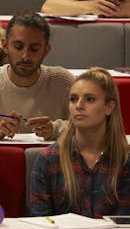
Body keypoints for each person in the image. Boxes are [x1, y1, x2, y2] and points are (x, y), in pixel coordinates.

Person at [30, 68, 130, 217]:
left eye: (89, 99)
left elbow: (125, 225)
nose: (79, 105)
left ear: (109, 107)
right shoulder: (49, 159)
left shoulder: (125, 160)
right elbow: (40, 222)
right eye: (73, 99)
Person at [0, 11, 74, 140]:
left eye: (34, 49)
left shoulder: (63, 81)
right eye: (18, 47)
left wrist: (55, 130)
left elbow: (91, 125)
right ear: (5, 46)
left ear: (46, 50)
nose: (25, 56)